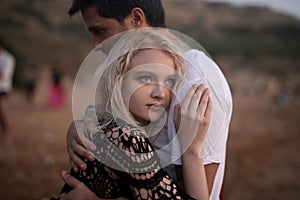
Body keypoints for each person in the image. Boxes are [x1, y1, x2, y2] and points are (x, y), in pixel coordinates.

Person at [63, 1, 232, 200]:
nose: (95, 45)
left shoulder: (198, 83)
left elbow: (210, 191)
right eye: (145, 78)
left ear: (136, 19)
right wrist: (80, 126)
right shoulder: (125, 127)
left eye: (100, 30)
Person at [0, 42, 15, 141]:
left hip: (3, 88)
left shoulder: (8, 58)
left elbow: (4, 74)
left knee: (3, 112)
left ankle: (8, 133)